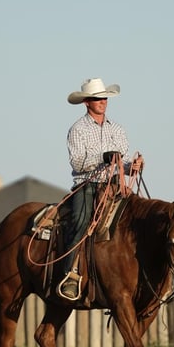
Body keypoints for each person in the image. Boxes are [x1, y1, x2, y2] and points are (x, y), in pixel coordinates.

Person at [58, 77, 143, 301]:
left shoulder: (117, 129)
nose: (102, 102)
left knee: (137, 221)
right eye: (97, 99)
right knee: (80, 223)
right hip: (87, 185)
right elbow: (77, 163)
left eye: (104, 98)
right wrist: (101, 158)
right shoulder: (78, 129)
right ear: (87, 102)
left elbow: (119, 163)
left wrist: (131, 167)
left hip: (113, 186)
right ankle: (71, 275)